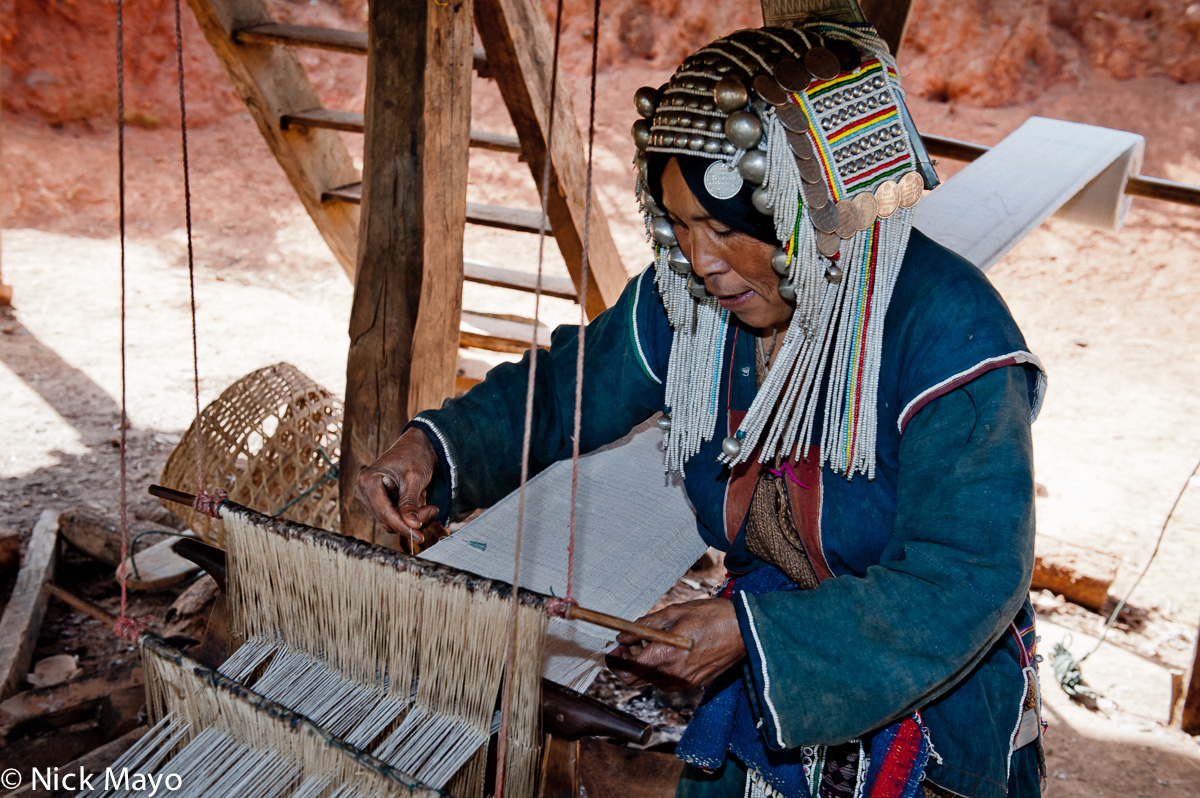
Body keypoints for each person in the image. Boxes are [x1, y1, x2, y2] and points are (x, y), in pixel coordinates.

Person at [356, 21, 1046, 798]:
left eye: (721, 229)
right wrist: (434, 449)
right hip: (763, 653)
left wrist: (753, 637)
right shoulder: (692, 303)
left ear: (812, 217)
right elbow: (566, 390)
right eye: (678, 227)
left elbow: (965, 576)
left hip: (923, 699)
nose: (700, 260)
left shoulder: (951, 337)